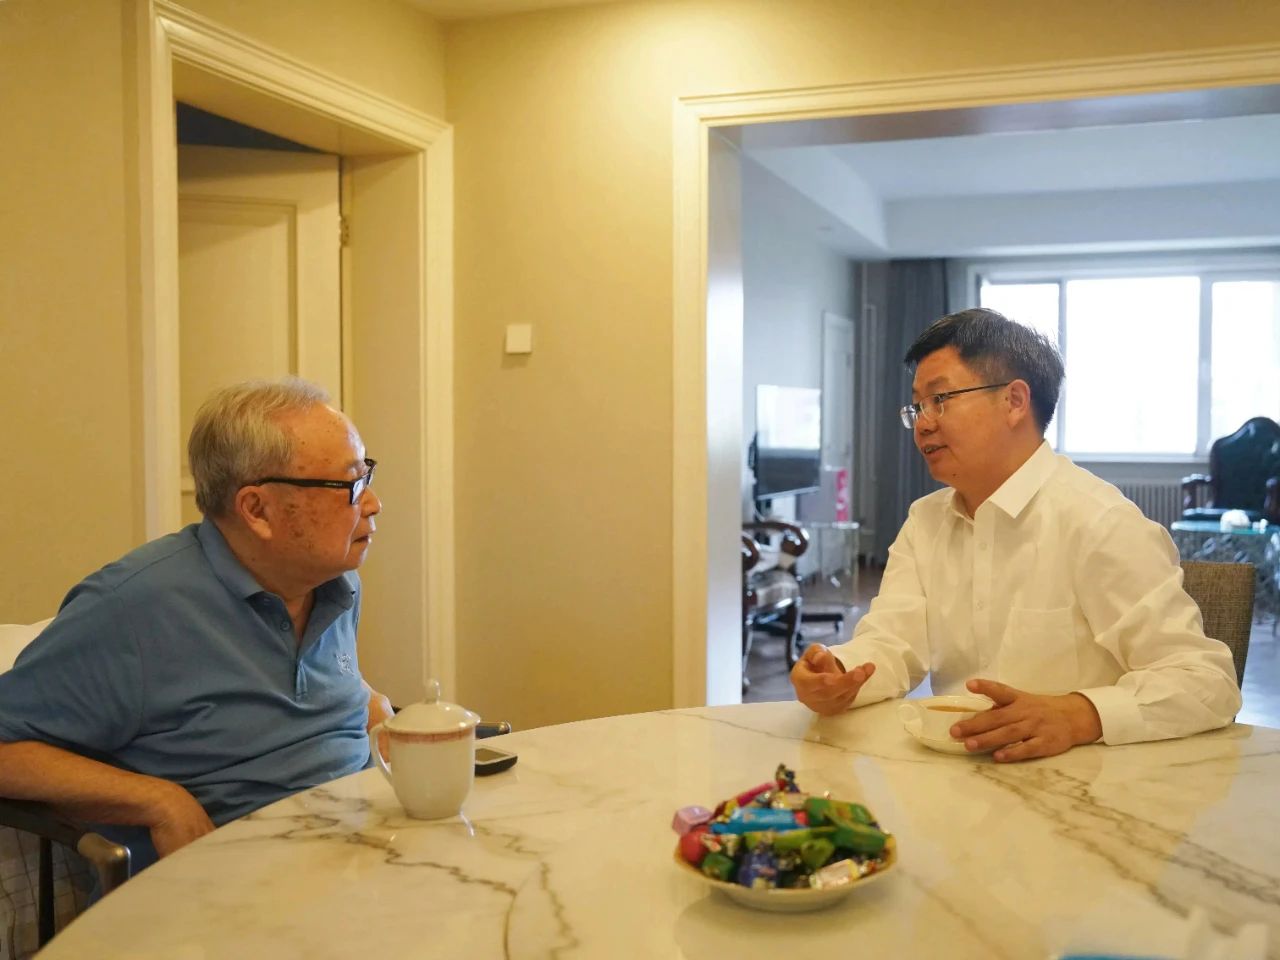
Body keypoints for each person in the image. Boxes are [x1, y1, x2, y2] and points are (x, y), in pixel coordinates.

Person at [791, 308, 1241, 761]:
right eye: (918, 406)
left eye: (940, 399)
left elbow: (1206, 681)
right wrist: (839, 673)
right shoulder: (925, 521)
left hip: (1084, 785)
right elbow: (893, 643)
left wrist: (1081, 714)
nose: (924, 423)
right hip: (960, 774)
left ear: (1014, 401)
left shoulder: (1100, 521)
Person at [0, 377, 391, 871]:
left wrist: (373, 707)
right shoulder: (135, 608)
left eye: (366, 475)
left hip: (360, 857)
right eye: (349, 486)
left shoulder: (333, 582)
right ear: (257, 510)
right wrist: (158, 800)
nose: (372, 503)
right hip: (228, 888)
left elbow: (295, 691)